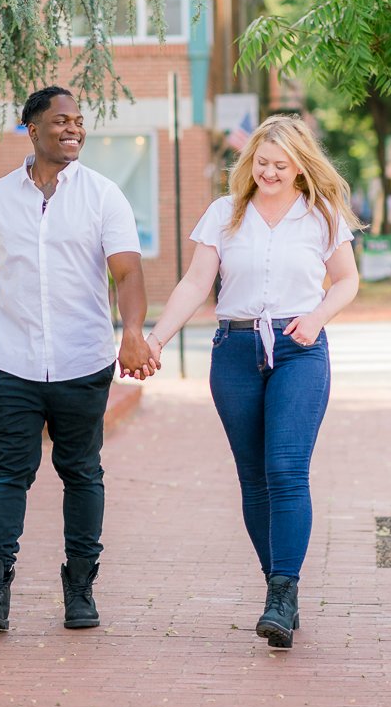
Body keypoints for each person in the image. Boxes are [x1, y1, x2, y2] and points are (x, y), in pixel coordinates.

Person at [142, 114, 360, 649]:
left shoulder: (321, 215)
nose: (269, 172)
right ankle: (278, 589)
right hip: (235, 348)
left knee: (286, 469)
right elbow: (197, 282)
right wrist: (157, 338)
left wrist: (315, 318)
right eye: (262, 163)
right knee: (254, 479)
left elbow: (348, 280)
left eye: (281, 165)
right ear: (250, 163)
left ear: (301, 166)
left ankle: (282, 594)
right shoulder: (224, 213)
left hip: (299, 348)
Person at [0, 86, 155, 633]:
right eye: (60, 121)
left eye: (78, 121)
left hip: (81, 362)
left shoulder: (103, 196)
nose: (73, 129)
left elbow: (128, 273)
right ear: (32, 129)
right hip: (10, 366)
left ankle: (80, 591)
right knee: (7, 473)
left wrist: (133, 333)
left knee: (81, 473)